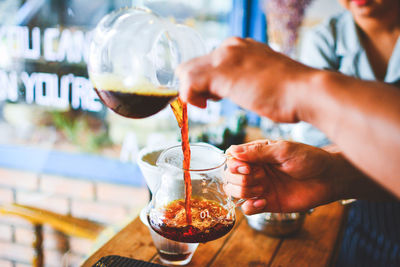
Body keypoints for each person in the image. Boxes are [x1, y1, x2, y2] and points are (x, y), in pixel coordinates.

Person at [177, 0, 400, 265]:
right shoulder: (326, 36)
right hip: (362, 218)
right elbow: (319, 140)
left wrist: (299, 88)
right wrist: (331, 174)